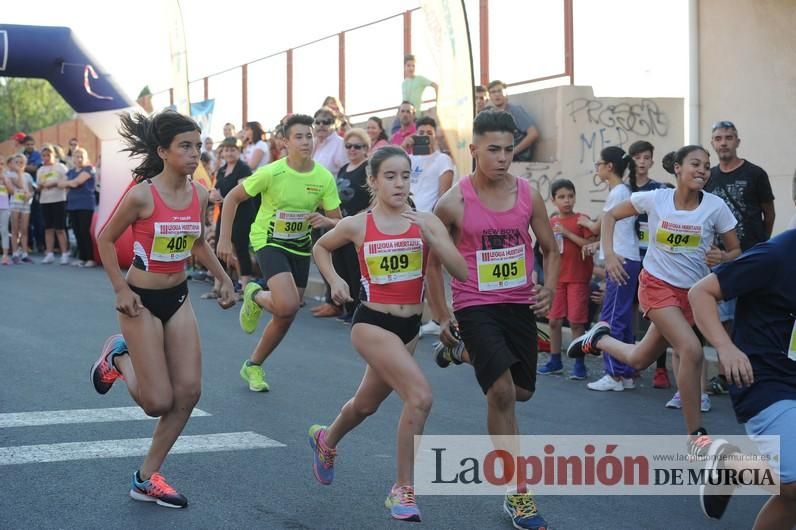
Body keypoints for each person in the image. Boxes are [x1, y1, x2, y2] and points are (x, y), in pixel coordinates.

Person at [308, 146, 467, 522]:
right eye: (390, 176)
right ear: (374, 181)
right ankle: (402, 489)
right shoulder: (359, 224)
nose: (399, 183)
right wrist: (334, 281)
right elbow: (321, 247)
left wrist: (436, 235)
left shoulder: (425, 221)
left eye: (406, 176)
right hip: (371, 323)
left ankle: (326, 440)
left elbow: (459, 270)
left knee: (365, 404)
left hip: (408, 328)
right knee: (420, 396)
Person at [90, 110, 236, 508]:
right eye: (185, 147)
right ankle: (118, 357)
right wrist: (119, 287)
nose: (194, 154)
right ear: (163, 151)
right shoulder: (142, 194)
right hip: (140, 300)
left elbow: (197, 242)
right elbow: (105, 240)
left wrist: (223, 277)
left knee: (188, 392)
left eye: (198, 146)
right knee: (156, 401)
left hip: (179, 296)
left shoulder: (200, 194)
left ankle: (145, 477)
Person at [427, 110, 560, 530]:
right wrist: (442, 313)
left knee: (522, 393)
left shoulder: (528, 194)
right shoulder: (453, 202)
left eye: (508, 149)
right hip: (474, 305)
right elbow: (432, 265)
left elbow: (550, 249)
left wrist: (550, 289)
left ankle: (460, 351)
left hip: (519, 305)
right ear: (474, 150)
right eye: (493, 150)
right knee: (500, 393)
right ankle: (518, 493)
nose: (503, 158)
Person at [568, 145, 740, 443]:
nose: (702, 170)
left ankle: (598, 339)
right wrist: (609, 254)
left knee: (638, 359)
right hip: (656, 286)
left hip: (692, 295)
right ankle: (696, 436)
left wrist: (722, 258)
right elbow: (609, 217)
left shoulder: (715, 207)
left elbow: (736, 249)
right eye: (695, 164)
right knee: (691, 349)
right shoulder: (656, 199)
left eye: (706, 166)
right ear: (677, 168)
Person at [217, 114, 342, 392]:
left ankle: (253, 365)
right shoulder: (271, 172)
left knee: (289, 311)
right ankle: (255, 294)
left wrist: (327, 221)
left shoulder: (323, 177)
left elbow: (339, 220)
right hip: (268, 239)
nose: (306, 141)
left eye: (309, 136)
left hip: (299, 244)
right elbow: (233, 198)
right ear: (284, 142)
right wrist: (224, 239)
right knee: (285, 304)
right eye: (298, 136)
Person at [689, 228, 796, 525]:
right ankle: (732, 464)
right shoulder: (776, 255)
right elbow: (700, 293)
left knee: (792, 494)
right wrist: (725, 347)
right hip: (766, 381)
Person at [578, 146, 641, 391]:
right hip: (627, 258)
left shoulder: (618, 192)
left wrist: (583, 223)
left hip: (621, 260)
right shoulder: (622, 191)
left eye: (599, 164)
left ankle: (613, 374)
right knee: (621, 317)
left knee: (611, 318)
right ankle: (625, 372)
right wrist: (599, 245)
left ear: (610, 167)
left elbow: (599, 226)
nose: (597, 168)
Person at [705, 120, 775, 330]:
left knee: (752, 316)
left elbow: (769, 213)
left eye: (728, 138)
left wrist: (762, 242)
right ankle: (728, 362)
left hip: (751, 256)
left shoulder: (755, 174)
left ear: (737, 141)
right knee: (724, 321)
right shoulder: (709, 177)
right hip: (720, 259)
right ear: (713, 144)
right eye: (718, 139)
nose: (723, 143)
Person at [537, 178, 595, 380]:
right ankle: (555, 361)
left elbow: (588, 246)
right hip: (557, 280)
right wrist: (546, 280)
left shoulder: (582, 220)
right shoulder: (551, 223)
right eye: (562, 197)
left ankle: (579, 364)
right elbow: (546, 251)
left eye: (570, 196)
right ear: (553, 200)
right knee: (553, 320)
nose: (567, 201)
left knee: (577, 323)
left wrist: (567, 233)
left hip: (578, 278)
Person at [628, 140, 673, 389]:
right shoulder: (625, 190)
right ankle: (632, 361)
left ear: (652, 161)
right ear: (631, 160)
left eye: (646, 157)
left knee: (660, 314)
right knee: (631, 309)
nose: (642, 162)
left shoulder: (660, 190)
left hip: (656, 259)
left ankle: (661, 368)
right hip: (631, 258)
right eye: (637, 157)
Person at [332, 128, 372, 322]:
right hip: (341, 225)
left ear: (366, 148)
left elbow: (374, 199)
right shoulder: (342, 168)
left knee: (356, 269)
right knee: (341, 267)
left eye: (357, 146)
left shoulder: (368, 169)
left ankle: (358, 309)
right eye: (348, 146)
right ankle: (347, 308)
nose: (352, 150)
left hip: (359, 227)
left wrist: (359, 218)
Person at [209, 137, 255, 293]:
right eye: (226, 149)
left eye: (233, 149)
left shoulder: (244, 168)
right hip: (224, 212)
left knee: (240, 247)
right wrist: (214, 195)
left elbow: (244, 192)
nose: (229, 153)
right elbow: (215, 189)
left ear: (239, 151)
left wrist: (225, 197)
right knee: (219, 247)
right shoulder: (221, 170)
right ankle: (218, 285)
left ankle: (245, 286)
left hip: (242, 213)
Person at [403, 116, 455, 213]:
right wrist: (403, 147)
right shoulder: (408, 158)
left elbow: (443, 198)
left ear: (435, 137)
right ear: (415, 135)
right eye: (421, 133)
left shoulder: (443, 159)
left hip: (426, 217)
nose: (425, 136)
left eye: (429, 133)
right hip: (404, 215)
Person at [59, 147, 97, 267]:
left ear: (85, 158)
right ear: (73, 158)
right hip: (72, 205)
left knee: (84, 231)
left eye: (81, 156)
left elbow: (76, 182)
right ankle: (82, 258)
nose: (79, 159)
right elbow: (60, 183)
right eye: (77, 156)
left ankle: (90, 258)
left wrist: (69, 183)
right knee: (76, 232)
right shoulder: (70, 172)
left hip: (85, 205)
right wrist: (70, 183)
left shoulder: (89, 169)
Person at [486, 81, 539, 162]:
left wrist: (512, 152)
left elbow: (533, 134)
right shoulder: (491, 114)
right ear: (489, 96)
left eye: (500, 91)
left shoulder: (515, 111)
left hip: (518, 157)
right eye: (493, 92)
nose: (497, 94)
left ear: (506, 93)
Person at [36, 144, 70, 265]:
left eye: (48, 155)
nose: (46, 157)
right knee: (48, 228)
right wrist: (40, 186)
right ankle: (49, 254)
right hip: (45, 201)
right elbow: (38, 186)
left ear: (53, 154)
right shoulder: (40, 169)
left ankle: (64, 254)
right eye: (43, 155)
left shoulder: (61, 167)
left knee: (60, 229)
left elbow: (67, 181)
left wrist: (55, 183)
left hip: (59, 200)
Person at [7, 154, 34, 263]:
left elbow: (31, 190)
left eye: (21, 162)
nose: (19, 164)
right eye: (16, 162)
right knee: (15, 229)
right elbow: (20, 185)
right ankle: (15, 253)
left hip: (25, 204)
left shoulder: (28, 176)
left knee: (24, 229)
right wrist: (19, 172)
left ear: (25, 164)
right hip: (15, 203)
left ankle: (25, 253)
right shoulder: (10, 175)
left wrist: (30, 195)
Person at [312, 107, 347, 176]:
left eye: (326, 122)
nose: (321, 125)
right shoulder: (311, 143)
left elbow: (345, 171)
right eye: (317, 122)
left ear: (335, 124)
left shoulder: (341, 144)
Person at [0, 158, 11, 265]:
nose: (0, 165)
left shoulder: (6, 176)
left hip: (4, 206)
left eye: (2, 163)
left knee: (4, 230)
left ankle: (5, 255)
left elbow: (12, 191)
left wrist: (6, 181)